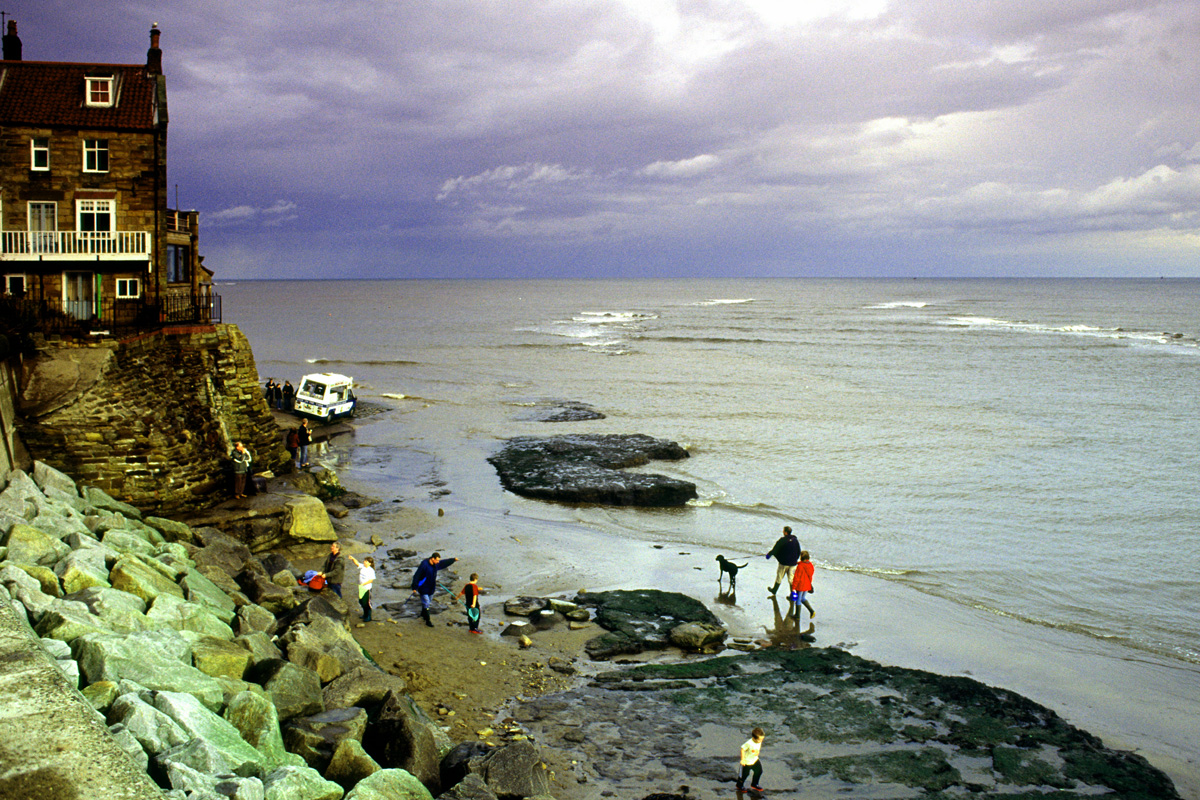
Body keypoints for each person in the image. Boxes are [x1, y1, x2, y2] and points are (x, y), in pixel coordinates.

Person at [411, 551, 457, 627]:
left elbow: (443, 563)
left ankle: (423, 614)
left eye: (438, 560)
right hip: (423, 587)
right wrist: (414, 587)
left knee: (428, 601)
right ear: (432, 559)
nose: (438, 562)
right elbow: (417, 575)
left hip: (431, 587)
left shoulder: (435, 564)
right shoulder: (424, 565)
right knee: (426, 602)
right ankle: (428, 621)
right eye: (437, 560)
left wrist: (453, 560)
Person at [765, 525, 801, 596]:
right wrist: (795, 559)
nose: (783, 531)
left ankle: (774, 590)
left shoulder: (782, 540)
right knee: (791, 580)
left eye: (783, 530)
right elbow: (798, 551)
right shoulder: (795, 540)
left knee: (779, 576)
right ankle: (793, 594)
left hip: (784, 563)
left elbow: (775, 549)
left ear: (785, 532)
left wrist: (769, 555)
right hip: (793, 563)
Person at [737, 727, 766, 791]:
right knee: (744, 775)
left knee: (759, 771)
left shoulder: (759, 741)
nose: (761, 741)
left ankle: (754, 784)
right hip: (747, 762)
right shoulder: (749, 743)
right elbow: (742, 749)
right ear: (754, 738)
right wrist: (742, 759)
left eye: (762, 739)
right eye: (760, 739)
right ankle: (739, 785)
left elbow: (757, 747)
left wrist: (758, 752)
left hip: (755, 759)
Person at [789, 549, 816, 619]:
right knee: (803, 598)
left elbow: (796, 578)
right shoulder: (810, 565)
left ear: (801, 558)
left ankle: (797, 615)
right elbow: (811, 574)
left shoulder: (800, 566)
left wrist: (793, 588)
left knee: (798, 599)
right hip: (807, 585)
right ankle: (811, 611)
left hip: (800, 586)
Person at [348, 554, 375, 621]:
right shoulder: (363, 566)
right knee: (361, 601)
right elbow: (357, 563)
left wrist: (363, 584)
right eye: (364, 560)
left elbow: (371, 580)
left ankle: (368, 616)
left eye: (366, 561)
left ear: (370, 563)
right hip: (361, 587)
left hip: (367, 588)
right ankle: (365, 614)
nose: (364, 562)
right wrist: (352, 558)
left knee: (366, 602)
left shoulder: (371, 570)